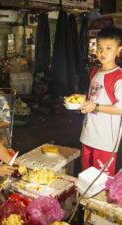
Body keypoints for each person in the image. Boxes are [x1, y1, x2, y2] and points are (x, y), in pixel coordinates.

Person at [79, 26, 122, 176]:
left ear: (119, 50)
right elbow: (93, 97)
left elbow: (120, 108)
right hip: (88, 134)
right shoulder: (94, 71)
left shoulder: (118, 77)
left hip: (105, 140)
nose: (102, 53)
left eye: (108, 48)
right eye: (99, 48)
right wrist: (82, 102)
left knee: (100, 181)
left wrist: (95, 107)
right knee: (85, 175)